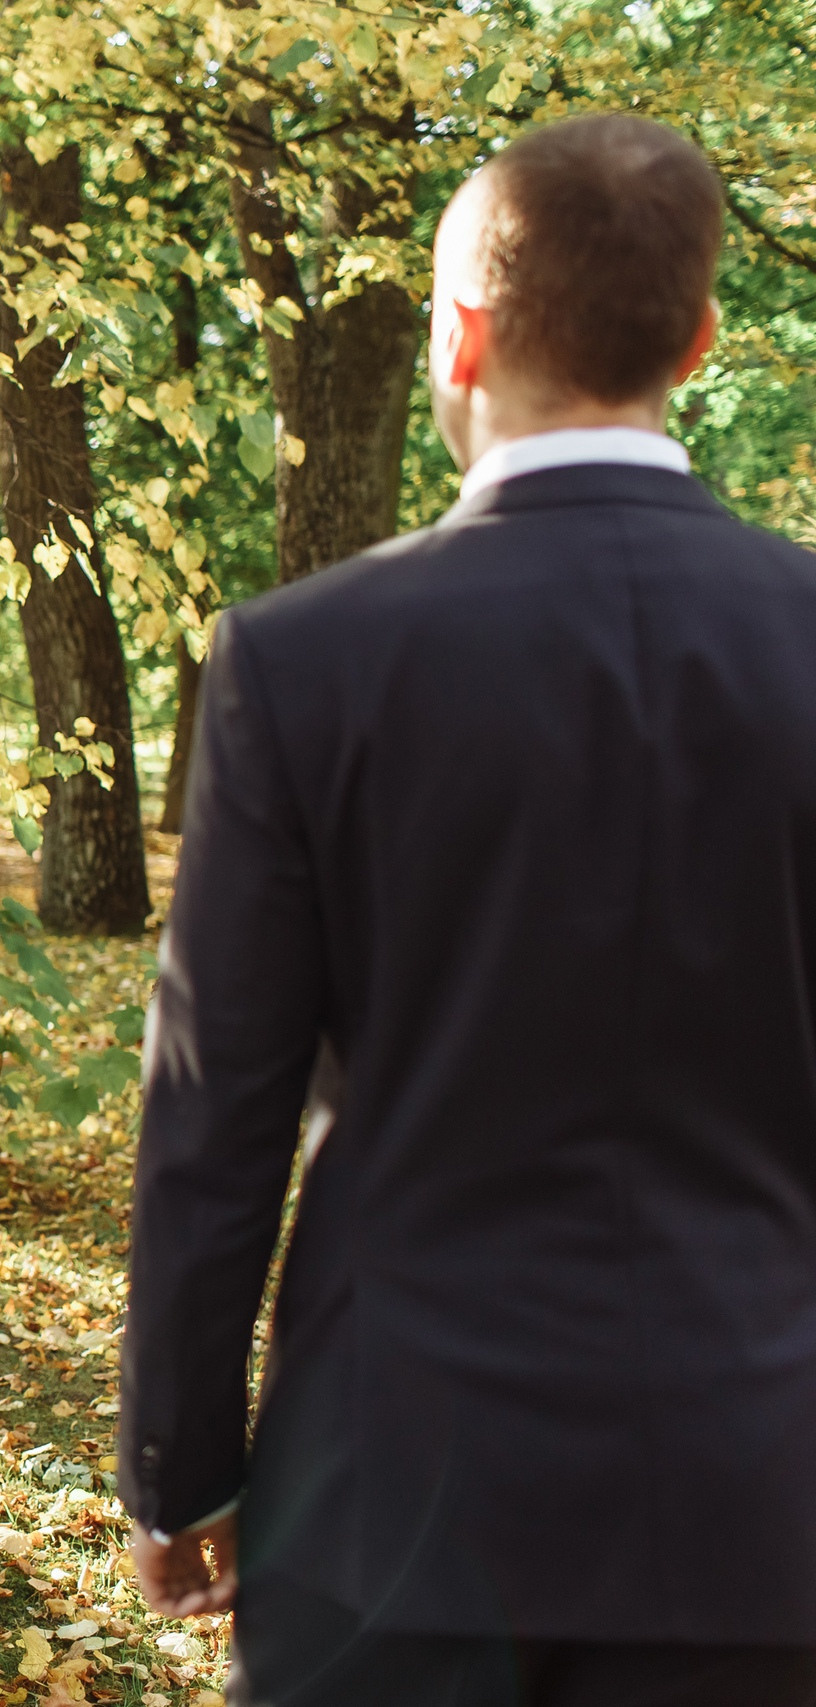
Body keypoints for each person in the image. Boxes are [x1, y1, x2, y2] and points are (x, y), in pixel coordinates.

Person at [121, 113, 816, 1705]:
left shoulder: (304, 661)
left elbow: (213, 1107)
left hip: (396, 1507)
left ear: (463, 331)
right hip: (764, 1498)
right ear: (699, 342)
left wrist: (179, 1457)